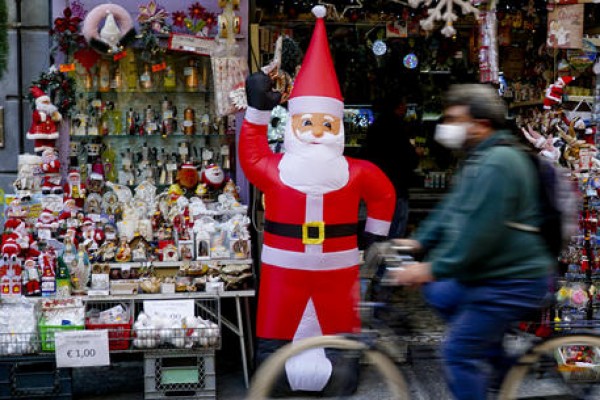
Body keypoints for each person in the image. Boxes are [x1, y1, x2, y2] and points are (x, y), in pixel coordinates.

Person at [240, 5, 395, 395]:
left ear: (339, 127)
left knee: (340, 325)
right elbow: (252, 157)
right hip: (284, 265)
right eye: (306, 122)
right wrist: (257, 110)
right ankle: (275, 380)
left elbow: (384, 193)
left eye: (327, 124)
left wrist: (375, 237)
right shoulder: (278, 168)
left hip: (337, 267)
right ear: (292, 124)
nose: (316, 131)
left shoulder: (356, 171)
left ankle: (339, 379)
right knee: (276, 326)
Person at [390, 84, 553, 400]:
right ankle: (502, 364)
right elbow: (451, 208)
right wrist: (416, 243)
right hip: (491, 271)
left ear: (481, 124)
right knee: (439, 294)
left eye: (454, 119)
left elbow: (480, 235)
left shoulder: (499, 163)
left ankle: (490, 361)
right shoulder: (478, 158)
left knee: (457, 352)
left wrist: (431, 267)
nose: (447, 126)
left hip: (513, 278)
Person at [361, 93, 419, 238]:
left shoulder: (375, 126)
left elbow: (364, 154)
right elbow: (410, 159)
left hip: (375, 189)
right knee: (393, 238)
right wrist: (416, 153)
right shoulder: (399, 127)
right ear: (399, 106)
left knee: (376, 234)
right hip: (396, 189)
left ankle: (374, 258)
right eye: (404, 104)